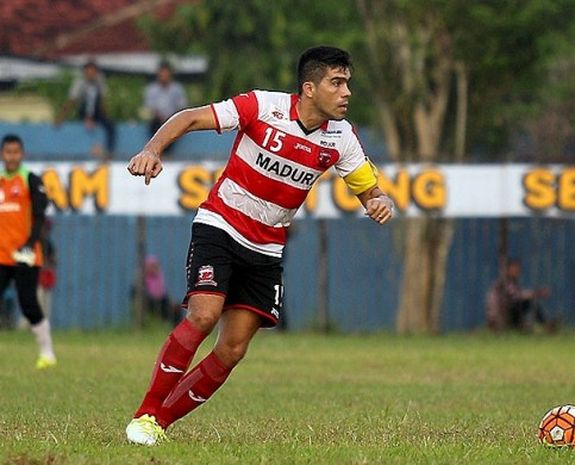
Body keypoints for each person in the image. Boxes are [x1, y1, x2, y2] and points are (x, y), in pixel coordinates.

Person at [124, 46, 394, 446]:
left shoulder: (342, 138)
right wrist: (151, 149)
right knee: (203, 315)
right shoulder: (262, 106)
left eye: (347, 83)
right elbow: (190, 116)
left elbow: (369, 190)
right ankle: (146, 411)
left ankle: (157, 423)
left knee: (232, 349)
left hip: (266, 248)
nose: (346, 92)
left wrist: (379, 200)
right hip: (220, 225)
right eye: (336, 83)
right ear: (309, 88)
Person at [0, 134, 57, 368]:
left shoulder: (30, 179)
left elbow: (40, 216)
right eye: (7, 152)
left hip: (25, 254)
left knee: (28, 303)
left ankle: (47, 352)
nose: (12, 156)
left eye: (16, 152)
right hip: (2, 254)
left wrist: (29, 244)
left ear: (21, 154)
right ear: (3, 154)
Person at [56, 60, 116, 158]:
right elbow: (71, 100)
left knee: (110, 126)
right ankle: (88, 119)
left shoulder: (99, 81)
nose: (90, 75)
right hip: (84, 110)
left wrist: (105, 114)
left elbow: (102, 99)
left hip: (97, 112)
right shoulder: (79, 83)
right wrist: (61, 117)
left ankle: (109, 151)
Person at [485, 258, 550, 332]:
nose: (517, 272)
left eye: (518, 269)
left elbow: (518, 295)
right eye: (514, 269)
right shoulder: (504, 283)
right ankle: (545, 325)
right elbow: (518, 296)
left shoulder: (510, 282)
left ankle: (525, 326)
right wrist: (538, 293)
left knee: (523, 306)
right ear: (507, 270)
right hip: (500, 317)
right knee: (529, 303)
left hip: (502, 315)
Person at [143, 62, 187, 155]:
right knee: (154, 127)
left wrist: (170, 117)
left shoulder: (177, 89)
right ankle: (155, 152)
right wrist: (160, 116)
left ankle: (167, 153)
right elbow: (150, 106)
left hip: (172, 118)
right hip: (157, 119)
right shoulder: (152, 89)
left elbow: (181, 106)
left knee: (177, 127)